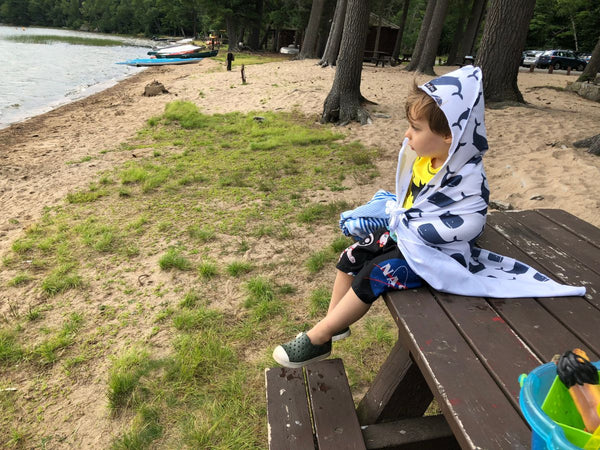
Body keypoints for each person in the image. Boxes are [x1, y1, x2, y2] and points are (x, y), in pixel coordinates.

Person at [272, 65, 585, 369]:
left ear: (451, 134)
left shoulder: (467, 177)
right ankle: (335, 323)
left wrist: (425, 230)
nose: (407, 135)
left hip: (436, 255)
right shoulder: (424, 158)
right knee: (353, 255)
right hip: (405, 236)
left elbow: (472, 221)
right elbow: (410, 199)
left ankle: (319, 337)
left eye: (416, 129)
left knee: (376, 272)